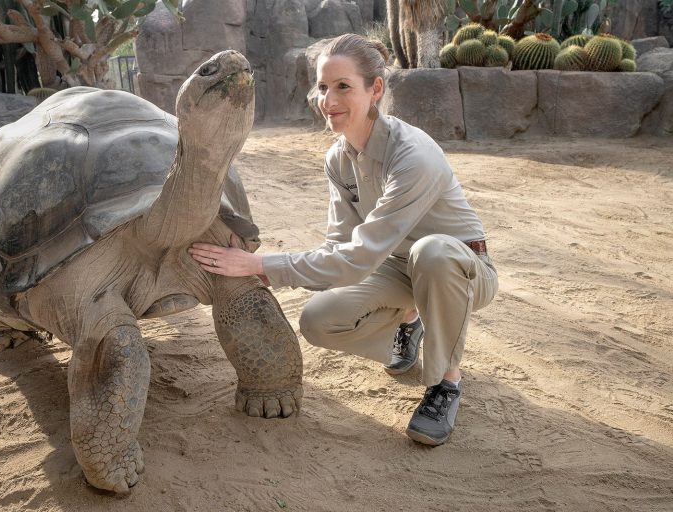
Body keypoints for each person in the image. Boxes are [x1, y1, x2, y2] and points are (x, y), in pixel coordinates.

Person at [188, 33, 498, 446]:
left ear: (376, 90)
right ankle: (410, 321)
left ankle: (445, 383)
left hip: (461, 270)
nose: (327, 99)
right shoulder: (337, 157)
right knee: (318, 320)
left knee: (433, 251)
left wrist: (261, 266)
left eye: (343, 86)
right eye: (322, 87)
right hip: (395, 267)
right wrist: (265, 270)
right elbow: (340, 246)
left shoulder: (414, 156)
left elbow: (357, 258)